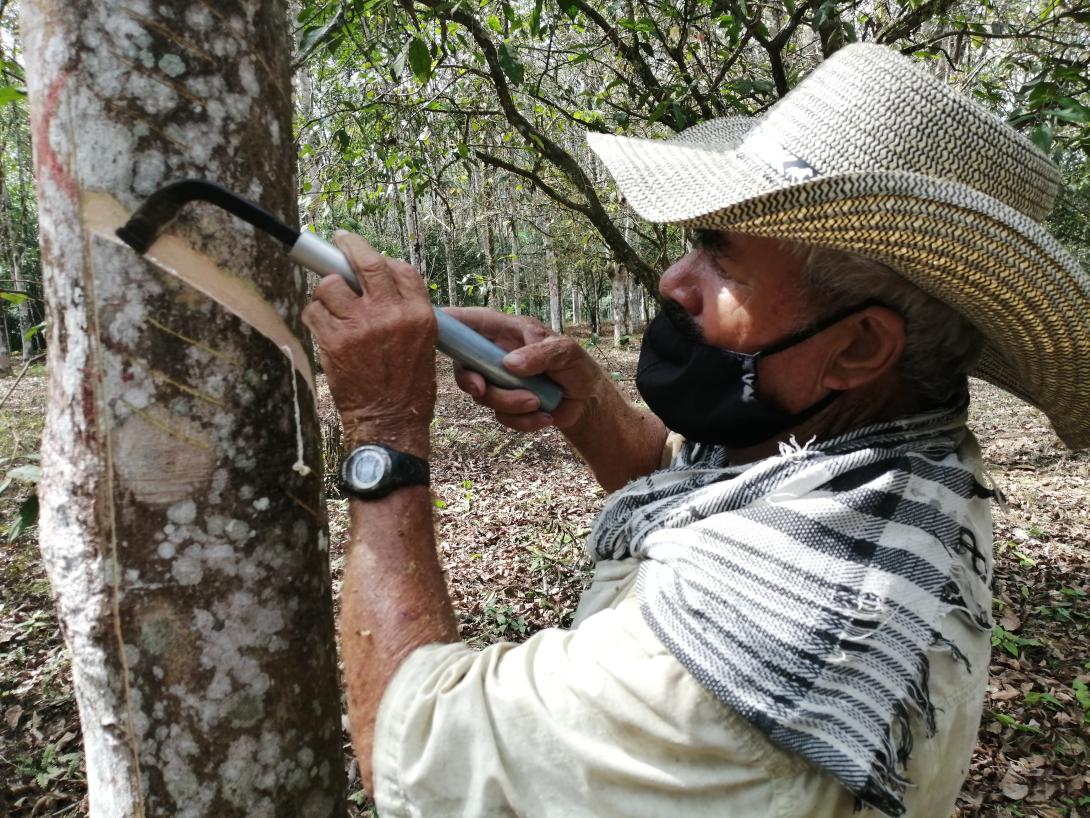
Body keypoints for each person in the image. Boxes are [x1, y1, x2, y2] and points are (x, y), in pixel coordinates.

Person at [302, 44, 1090, 818]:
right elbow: (707, 485)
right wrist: (586, 403)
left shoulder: (737, 663)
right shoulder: (899, 464)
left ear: (858, 346)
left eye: (720, 253)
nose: (674, 280)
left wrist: (385, 428)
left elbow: (414, 755)